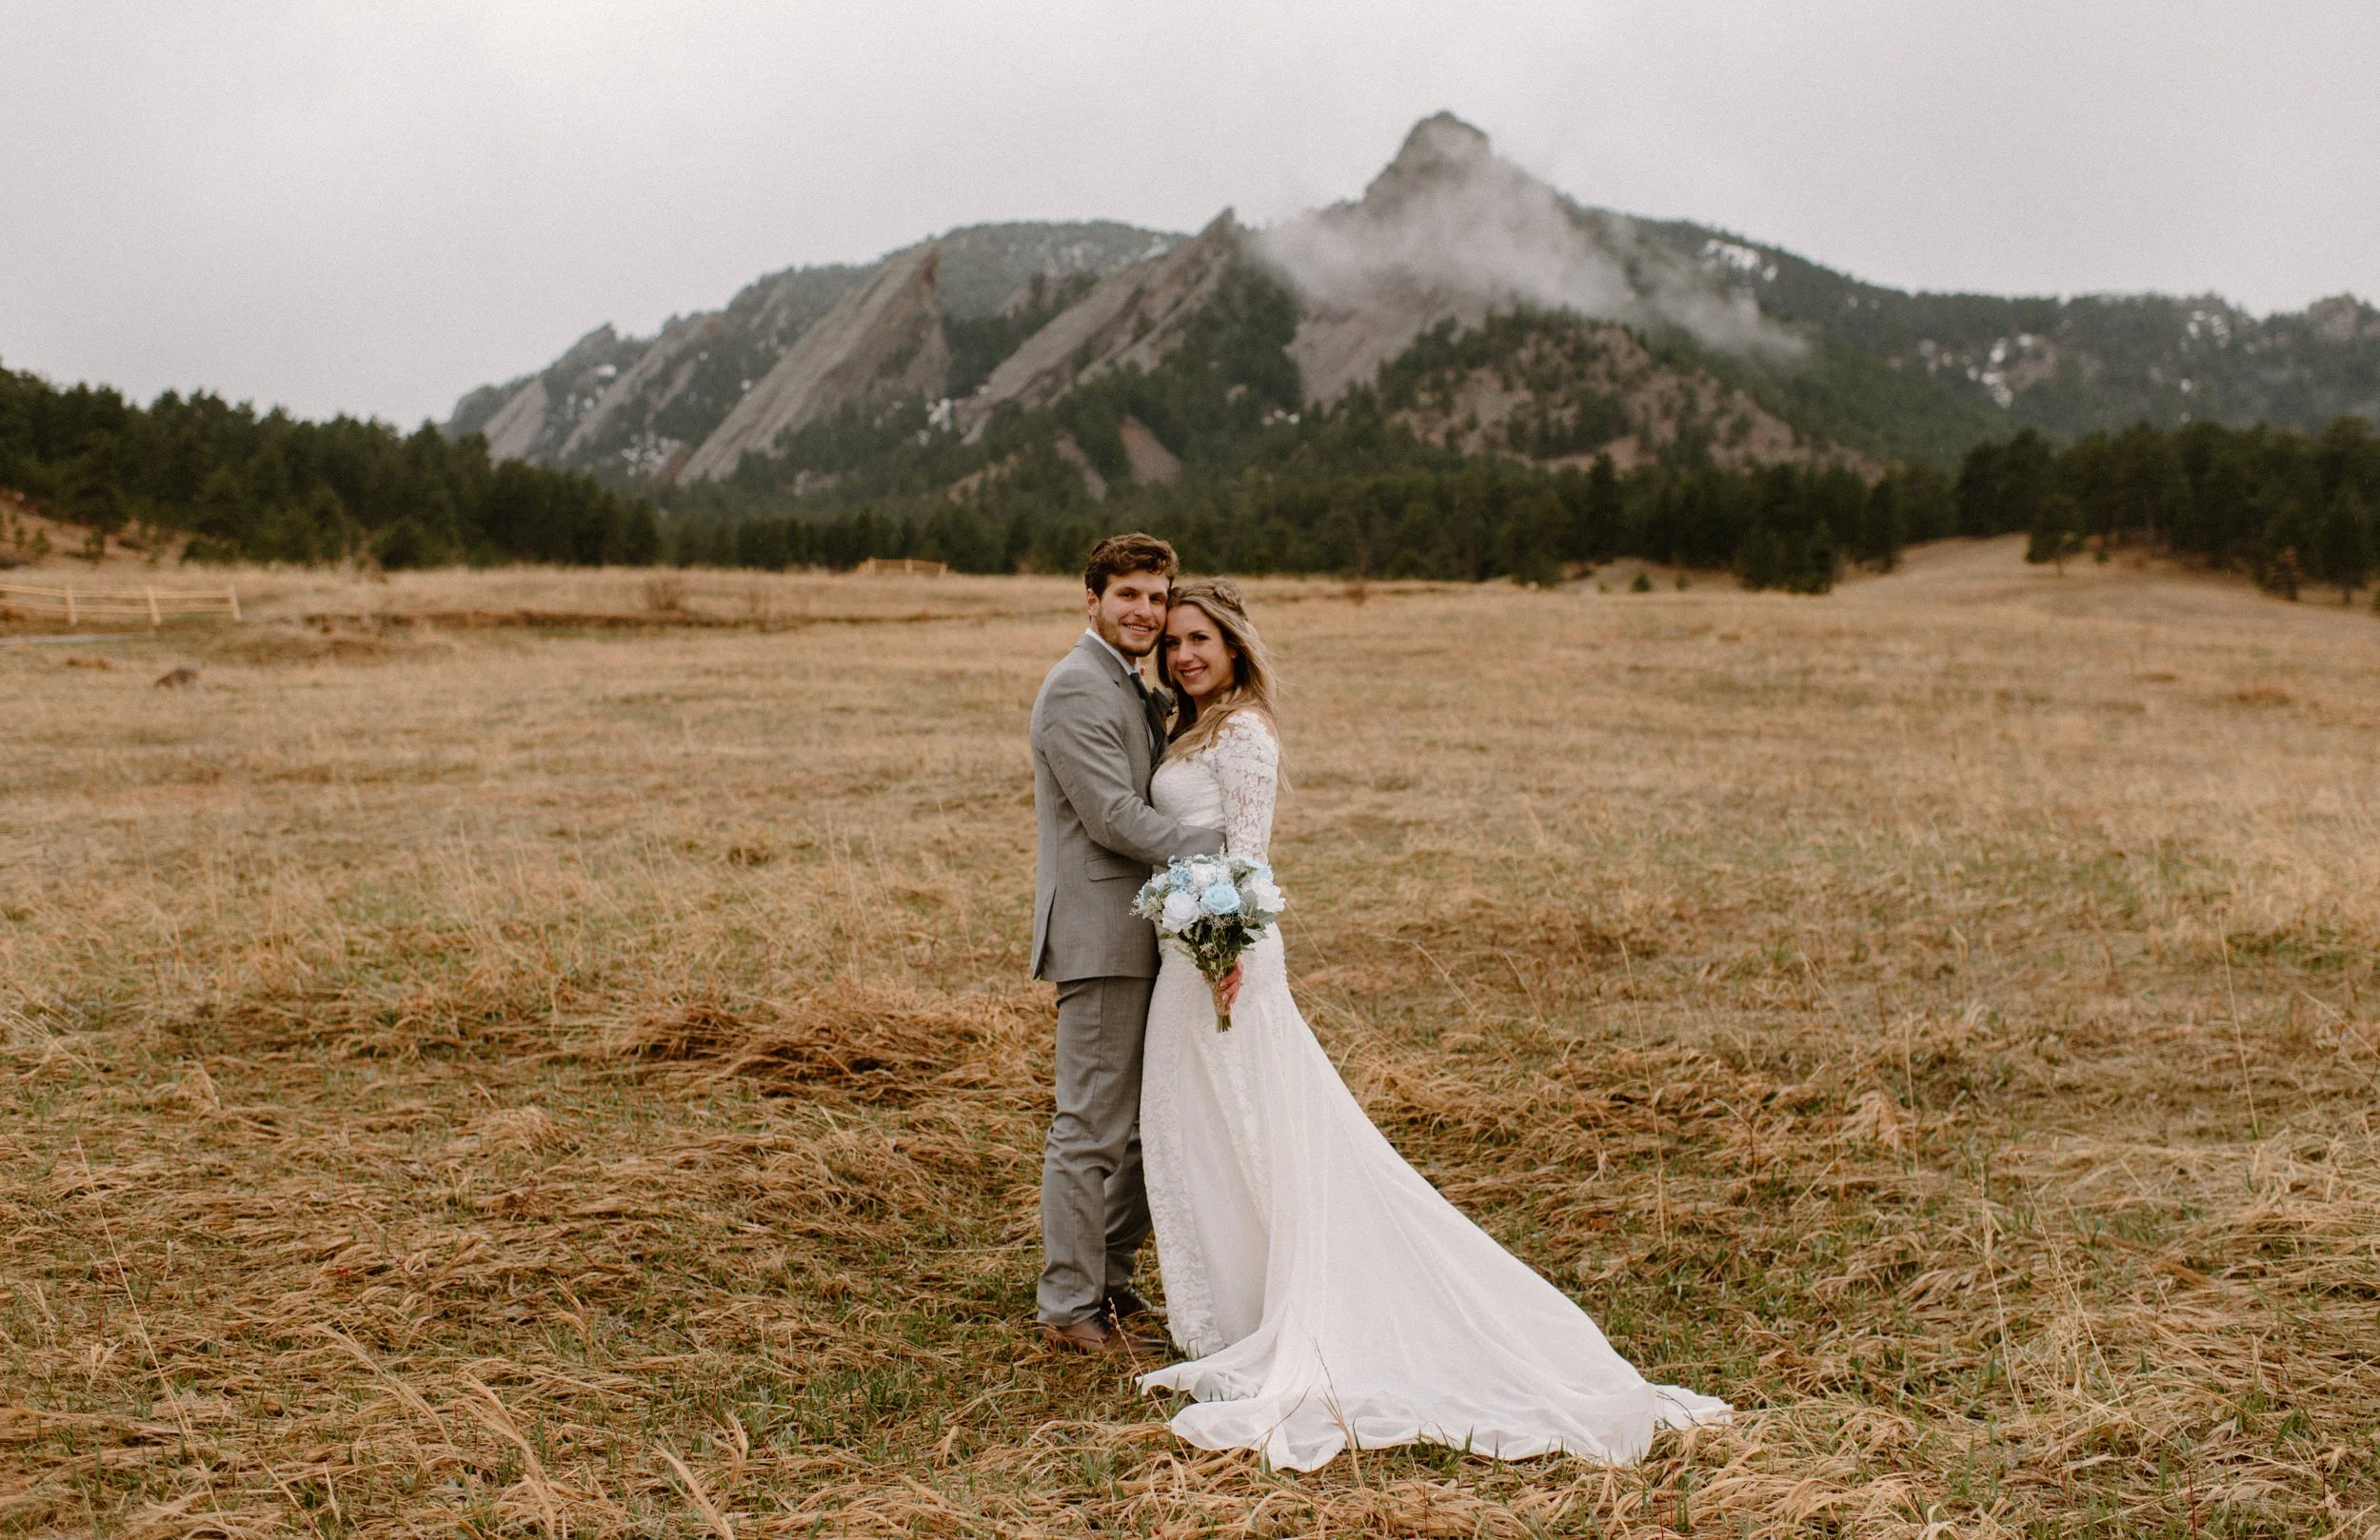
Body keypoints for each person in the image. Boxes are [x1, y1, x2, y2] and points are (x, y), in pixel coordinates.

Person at [1135, 577, 1730, 1470]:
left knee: (1258, 1128)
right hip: (1189, 956)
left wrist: (1229, 957)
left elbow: (1250, 862)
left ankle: (1294, 1312)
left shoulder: (1246, 731)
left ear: (1233, 645)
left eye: (1199, 640)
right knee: (1202, 1129)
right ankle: (1234, 1309)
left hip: (1228, 960)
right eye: (1174, 642)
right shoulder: (1191, 727)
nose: (1184, 654)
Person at [1027, 534, 1226, 1355]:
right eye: (1129, 596)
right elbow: (1111, 815)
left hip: (1145, 933)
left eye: (1156, 596)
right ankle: (1070, 1307)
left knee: (1146, 1126)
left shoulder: (1130, 685)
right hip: (1103, 935)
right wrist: (1220, 851)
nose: (1146, 612)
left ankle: (1108, 1280)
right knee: (1091, 1128)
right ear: (1092, 601)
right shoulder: (1077, 688)